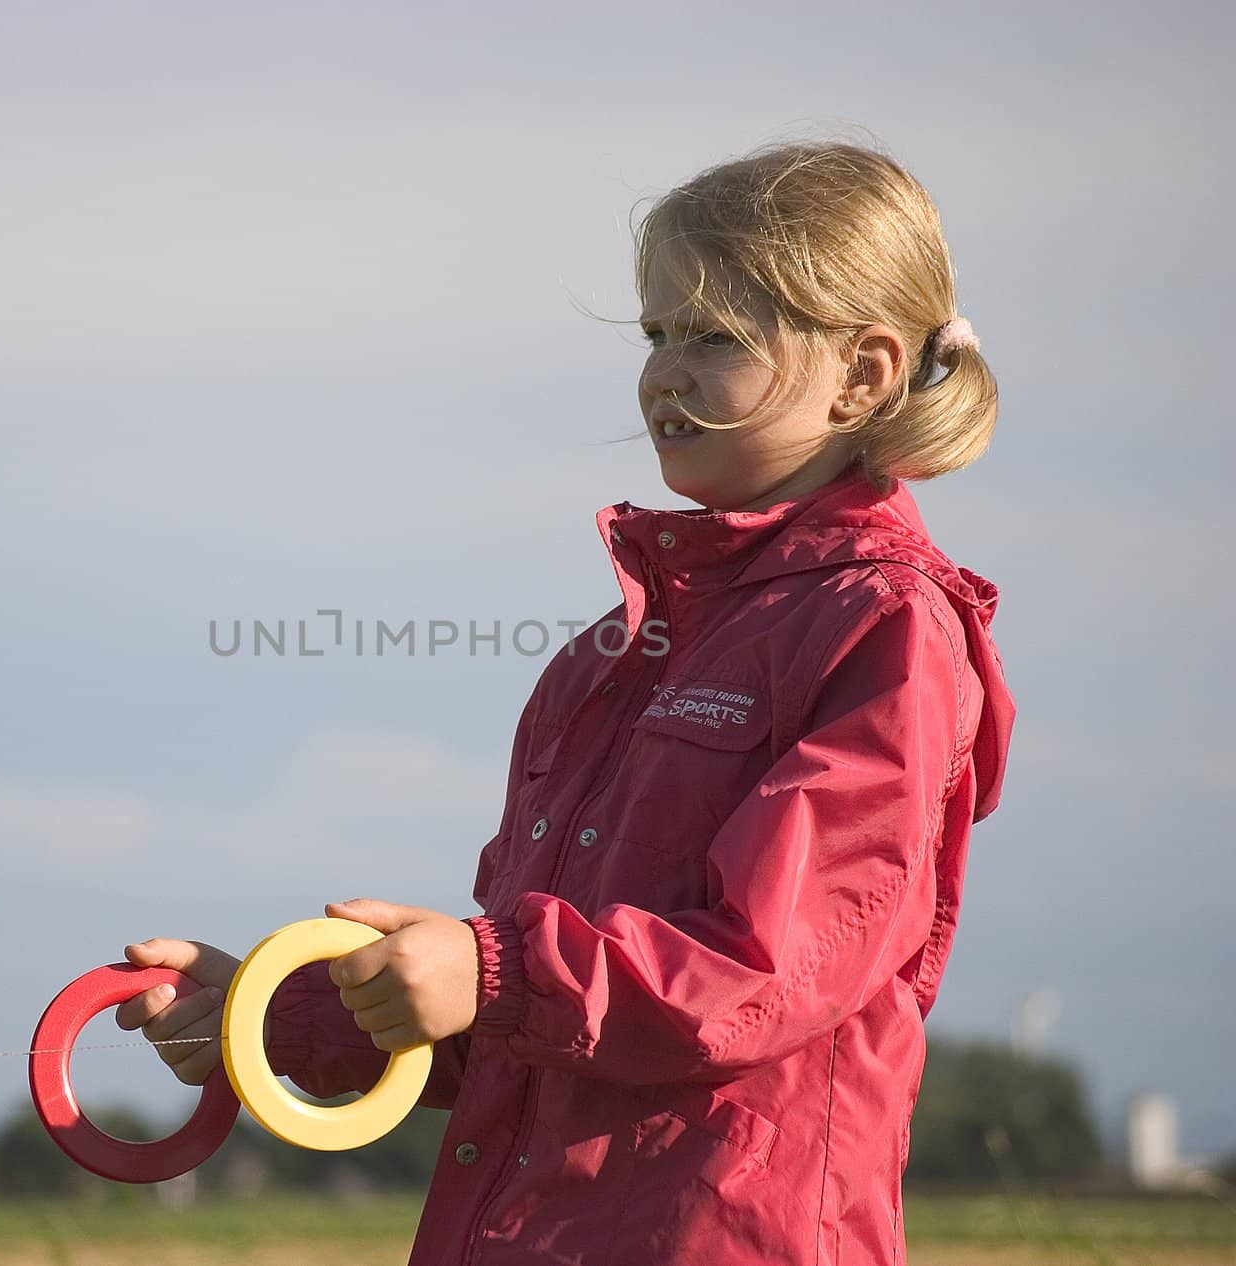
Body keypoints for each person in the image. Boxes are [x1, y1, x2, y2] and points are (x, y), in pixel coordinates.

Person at [114, 138, 1017, 1265]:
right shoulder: (608, 654)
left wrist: (487, 971)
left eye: (716, 338)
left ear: (865, 373)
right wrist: (271, 1014)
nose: (665, 374)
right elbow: (521, 1024)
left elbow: (763, 969)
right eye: (653, 334)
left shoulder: (883, 629)